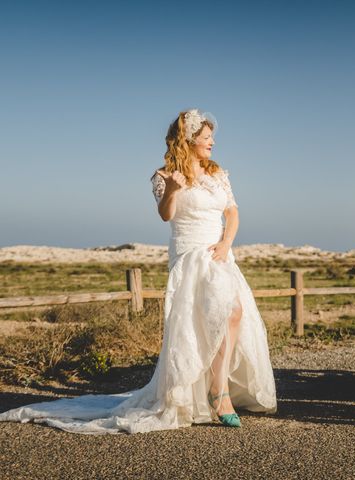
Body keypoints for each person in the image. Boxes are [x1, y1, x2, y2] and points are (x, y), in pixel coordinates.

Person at [0, 109, 277, 433]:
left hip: (219, 253)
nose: (212, 142)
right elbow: (166, 214)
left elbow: (232, 212)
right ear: (188, 140)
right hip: (189, 253)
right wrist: (173, 189)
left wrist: (227, 243)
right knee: (202, 322)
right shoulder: (163, 175)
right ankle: (215, 393)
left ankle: (218, 388)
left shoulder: (218, 174)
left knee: (232, 312)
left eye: (211, 137)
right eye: (206, 138)